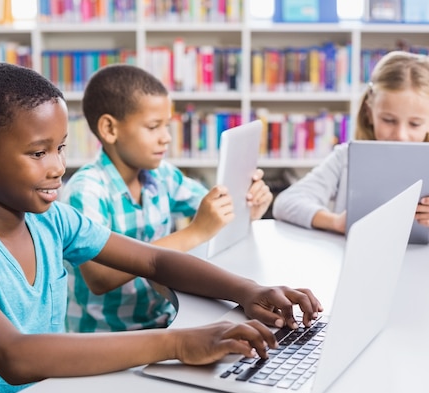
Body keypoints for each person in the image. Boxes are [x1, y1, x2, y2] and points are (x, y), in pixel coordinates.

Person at [0, 62, 322, 393]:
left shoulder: (54, 219)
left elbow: (154, 262)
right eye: (38, 153)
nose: (57, 167)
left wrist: (248, 290)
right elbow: (13, 356)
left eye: (61, 148)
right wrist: (177, 343)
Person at [61, 64, 274, 332]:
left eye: (167, 126)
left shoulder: (162, 175)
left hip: (162, 321)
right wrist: (196, 232)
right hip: (105, 337)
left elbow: (210, 208)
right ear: (109, 129)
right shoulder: (86, 191)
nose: (167, 138)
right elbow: (100, 278)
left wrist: (245, 206)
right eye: (153, 127)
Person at [272, 50, 429, 243]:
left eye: (415, 123)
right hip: (359, 264)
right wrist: (336, 222)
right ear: (369, 112)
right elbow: (286, 203)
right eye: (388, 120)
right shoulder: (346, 158)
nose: (400, 135)